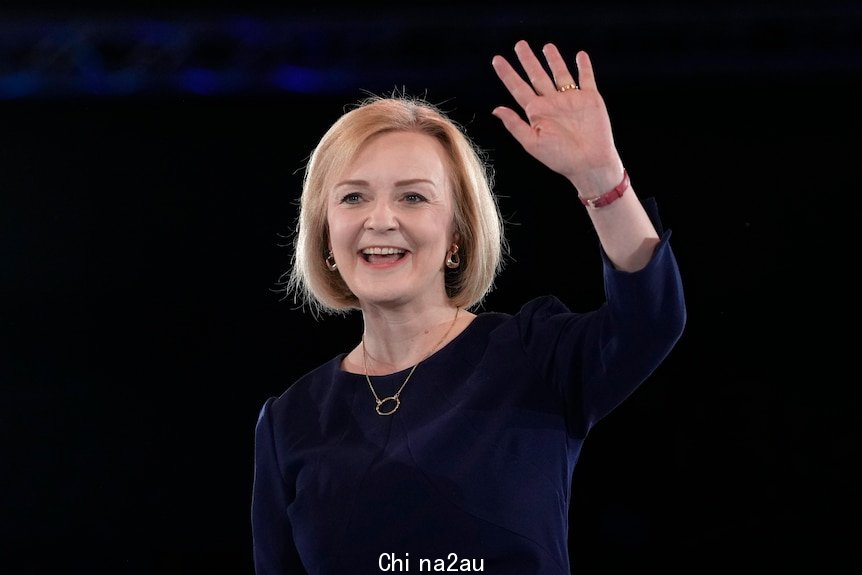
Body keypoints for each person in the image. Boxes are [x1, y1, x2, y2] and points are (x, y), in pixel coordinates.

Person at [251, 39, 686, 574]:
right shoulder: (288, 420)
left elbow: (650, 320)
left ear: (457, 235)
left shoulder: (531, 355)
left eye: (413, 196)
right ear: (325, 234)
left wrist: (601, 180)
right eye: (353, 197)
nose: (380, 219)